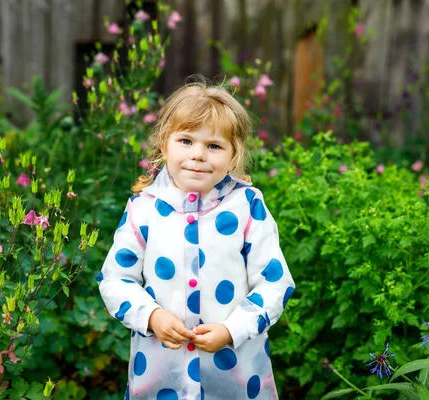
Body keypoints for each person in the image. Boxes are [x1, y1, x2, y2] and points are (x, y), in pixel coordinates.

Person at [98, 79, 296, 400]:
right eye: (186, 141)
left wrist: (232, 330)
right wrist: (152, 316)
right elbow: (115, 280)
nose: (199, 155)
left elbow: (275, 284)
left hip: (235, 377)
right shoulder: (144, 207)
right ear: (164, 145)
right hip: (160, 374)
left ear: (234, 156)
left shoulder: (248, 206)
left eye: (214, 146)